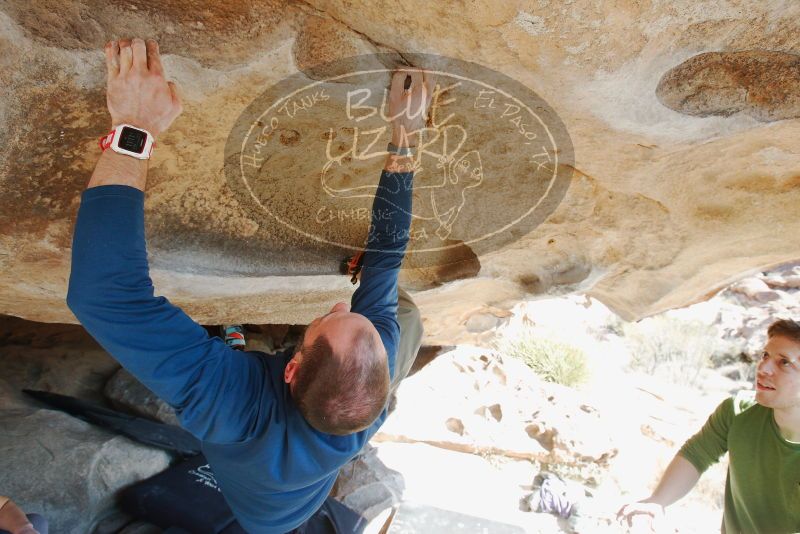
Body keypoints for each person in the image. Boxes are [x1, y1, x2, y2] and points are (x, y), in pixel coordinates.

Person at [67, 38, 430, 533]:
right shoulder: (370, 388)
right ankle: (245, 338)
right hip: (300, 496)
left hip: (261, 519)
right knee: (403, 312)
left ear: (291, 368)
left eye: (330, 316)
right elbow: (388, 257)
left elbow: (104, 295)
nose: (333, 303)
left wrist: (134, 128)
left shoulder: (230, 401)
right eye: (354, 317)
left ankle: (239, 342)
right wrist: (404, 138)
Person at [617, 318, 800, 533]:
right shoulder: (737, 412)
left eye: (784, 362)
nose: (763, 368)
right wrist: (656, 502)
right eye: (765, 355)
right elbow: (696, 455)